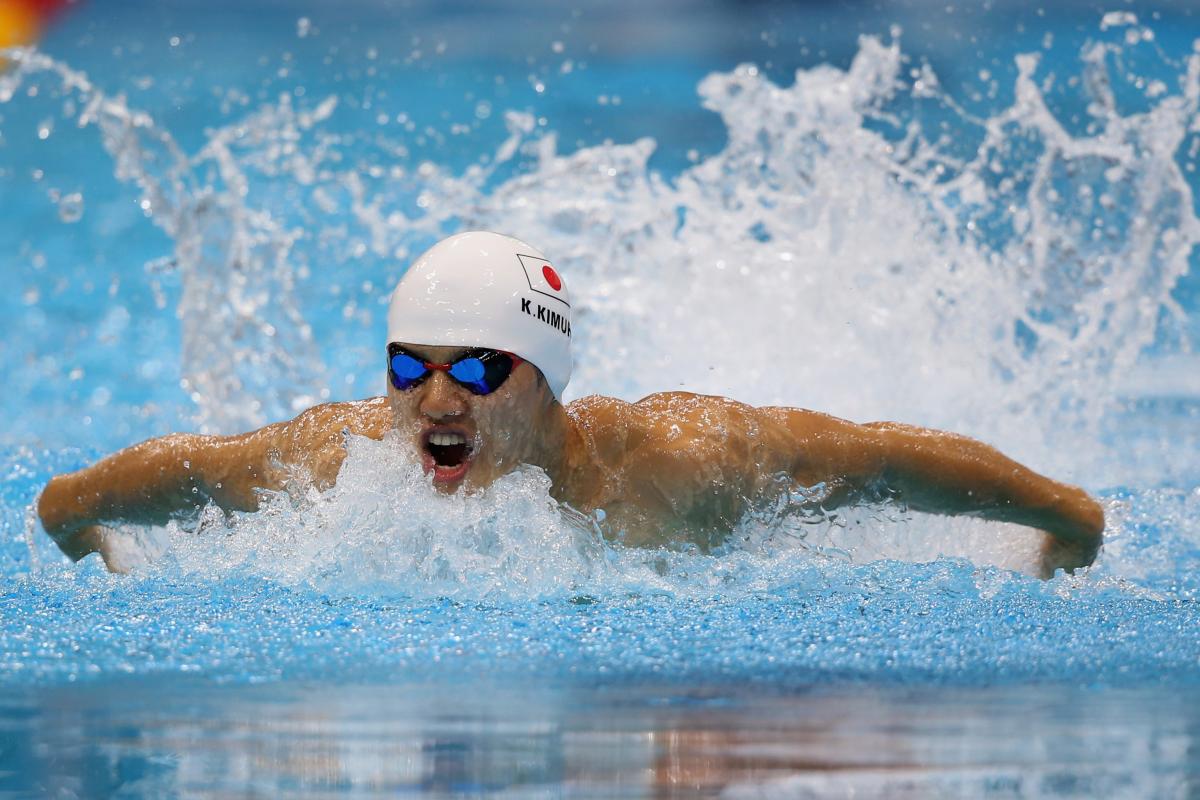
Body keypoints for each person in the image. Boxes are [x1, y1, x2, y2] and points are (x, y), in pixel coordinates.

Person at [37, 231, 1104, 577]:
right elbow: (181, 473)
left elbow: (878, 459)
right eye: (411, 368)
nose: (436, 400)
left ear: (545, 379)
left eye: (477, 369)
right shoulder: (345, 463)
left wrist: (1065, 517)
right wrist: (77, 522)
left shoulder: (682, 465)